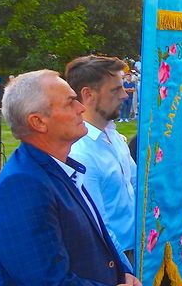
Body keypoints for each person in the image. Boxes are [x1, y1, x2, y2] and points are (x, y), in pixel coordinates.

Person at [0, 70, 139, 285]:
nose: (81, 108)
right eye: (70, 103)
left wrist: (122, 274)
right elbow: (44, 281)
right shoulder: (21, 186)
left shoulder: (58, 168)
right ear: (38, 122)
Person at [65, 55, 138, 262]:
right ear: (88, 94)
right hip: (114, 258)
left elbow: (136, 185)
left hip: (135, 249)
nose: (124, 95)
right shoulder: (80, 152)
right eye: (115, 89)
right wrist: (125, 270)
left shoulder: (112, 135)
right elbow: (98, 226)